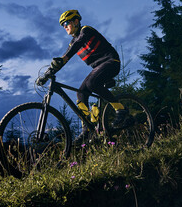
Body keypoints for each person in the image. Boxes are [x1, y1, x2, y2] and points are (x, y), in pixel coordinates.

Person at [38, 10, 128, 142]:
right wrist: (48, 73)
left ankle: (120, 109)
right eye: (63, 25)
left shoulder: (86, 30)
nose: (65, 27)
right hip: (98, 68)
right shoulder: (72, 42)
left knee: (92, 83)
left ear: (76, 21)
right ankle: (87, 130)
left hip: (111, 62)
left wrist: (63, 58)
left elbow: (76, 45)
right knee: (81, 94)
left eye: (67, 23)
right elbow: (66, 57)